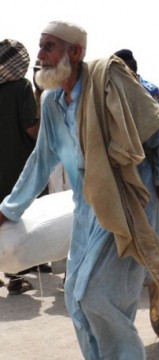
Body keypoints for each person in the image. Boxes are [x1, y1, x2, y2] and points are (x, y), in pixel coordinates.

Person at [0, 20, 159, 359]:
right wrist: (9, 209)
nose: (40, 55)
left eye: (48, 47)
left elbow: (158, 127)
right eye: (40, 47)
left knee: (99, 298)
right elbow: (41, 161)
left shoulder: (108, 82)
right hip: (87, 210)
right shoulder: (51, 103)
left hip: (126, 205)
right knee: (74, 296)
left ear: (75, 52)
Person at [0, 39, 39, 295]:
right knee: (15, 221)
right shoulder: (22, 88)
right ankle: (16, 276)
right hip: (15, 169)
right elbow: (30, 128)